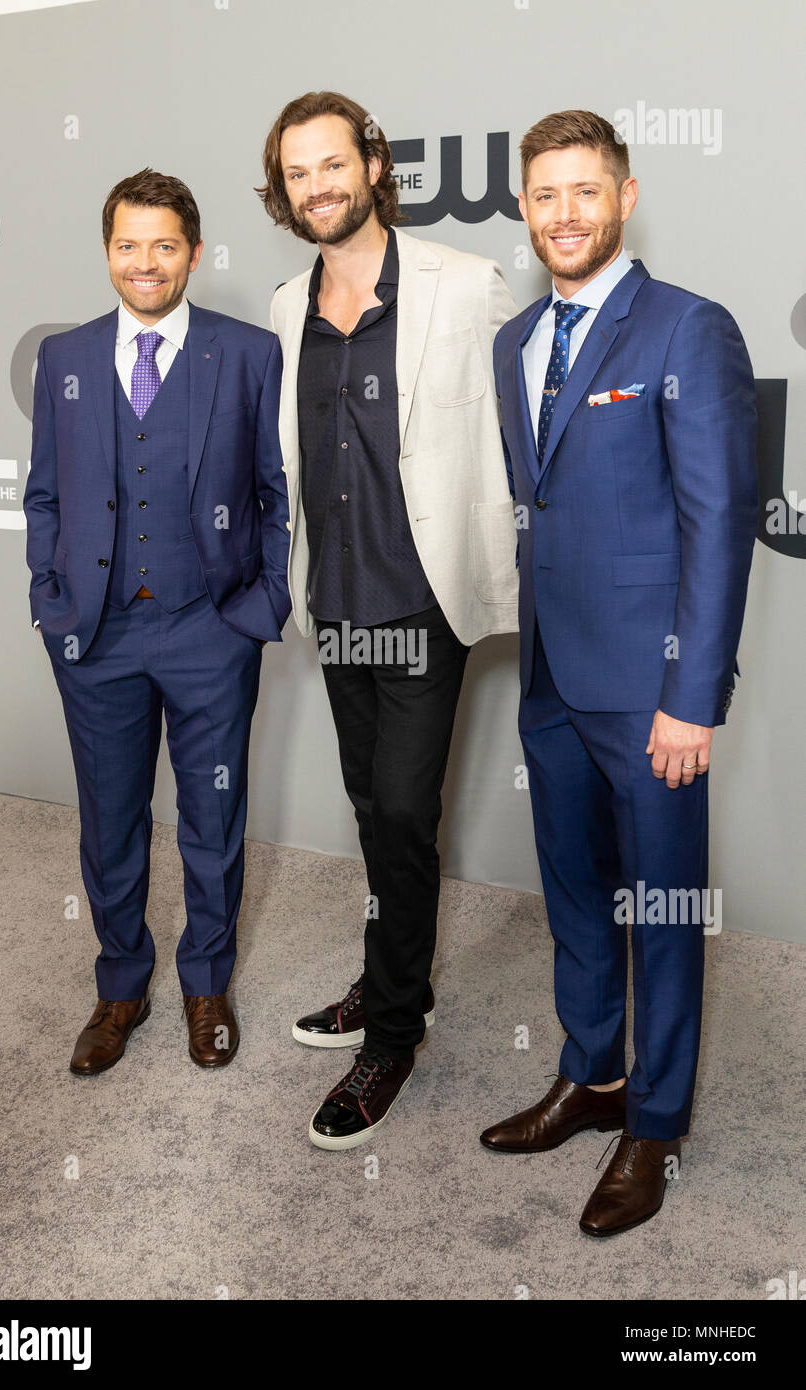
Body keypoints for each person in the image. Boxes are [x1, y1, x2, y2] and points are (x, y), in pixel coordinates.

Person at [483, 110, 757, 1235]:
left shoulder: (688, 330)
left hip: (650, 693)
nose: (562, 215)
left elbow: (717, 521)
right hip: (549, 680)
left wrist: (690, 699)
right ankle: (590, 1075)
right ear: (522, 207)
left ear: (625, 195)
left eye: (582, 192)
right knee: (573, 897)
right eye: (543, 196)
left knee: (661, 909)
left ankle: (654, 1120)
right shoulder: (513, 344)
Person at [259, 91, 520, 1149]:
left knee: (407, 812)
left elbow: (525, 428)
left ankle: (395, 1033)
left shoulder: (466, 285)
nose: (318, 186)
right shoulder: (285, 306)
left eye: (333, 164)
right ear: (281, 192)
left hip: (423, 607)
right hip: (337, 607)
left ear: (371, 164)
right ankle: (383, 978)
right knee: (373, 810)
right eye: (297, 174)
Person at [24, 169, 290, 1076]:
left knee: (213, 816)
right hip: (96, 637)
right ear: (108, 253)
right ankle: (120, 987)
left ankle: (206, 984)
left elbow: (273, 494)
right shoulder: (65, 358)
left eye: (164, 245)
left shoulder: (248, 353)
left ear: (195, 253)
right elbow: (47, 496)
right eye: (129, 246)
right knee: (111, 820)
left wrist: (260, 609)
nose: (147, 263)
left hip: (211, 629)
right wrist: (49, 601)